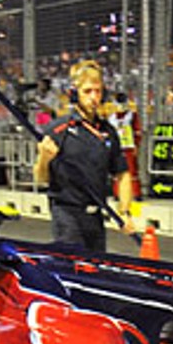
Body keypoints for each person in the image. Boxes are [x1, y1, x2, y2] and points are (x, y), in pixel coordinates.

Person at [34, 58, 135, 252]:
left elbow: (122, 174)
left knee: (96, 269)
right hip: (67, 215)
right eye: (87, 91)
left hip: (96, 214)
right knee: (75, 268)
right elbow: (41, 179)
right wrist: (44, 158)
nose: (93, 97)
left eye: (97, 91)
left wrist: (125, 211)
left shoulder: (108, 132)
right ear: (74, 94)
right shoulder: (59, 130)